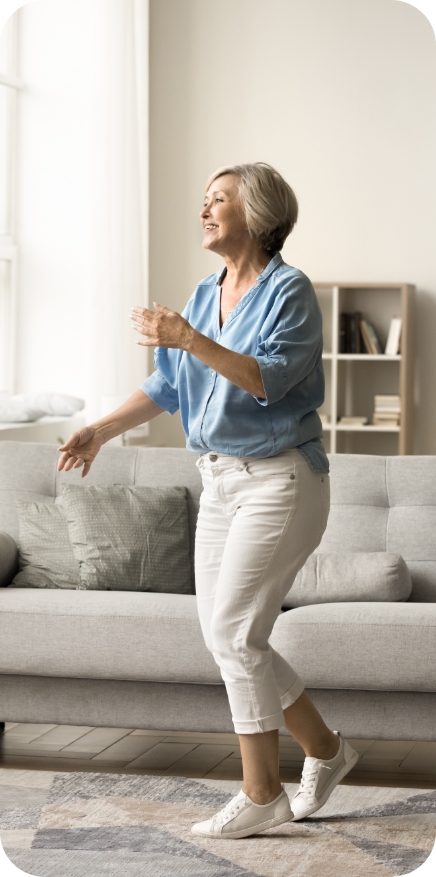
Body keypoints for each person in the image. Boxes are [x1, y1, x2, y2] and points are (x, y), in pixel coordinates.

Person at [58, 162, 359, 839]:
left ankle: (262, 791)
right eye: (204, 200)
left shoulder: (291, 292)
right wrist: (101, 429)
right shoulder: (204, 292)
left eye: (219, 200)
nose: (205, 210)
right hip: (219, 482)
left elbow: (269, 380)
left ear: (258, 215)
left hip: (282, 481)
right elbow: (168, 383)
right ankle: (329, 750)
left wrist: (189, 337)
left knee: (232, 631)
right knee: (229, 635)